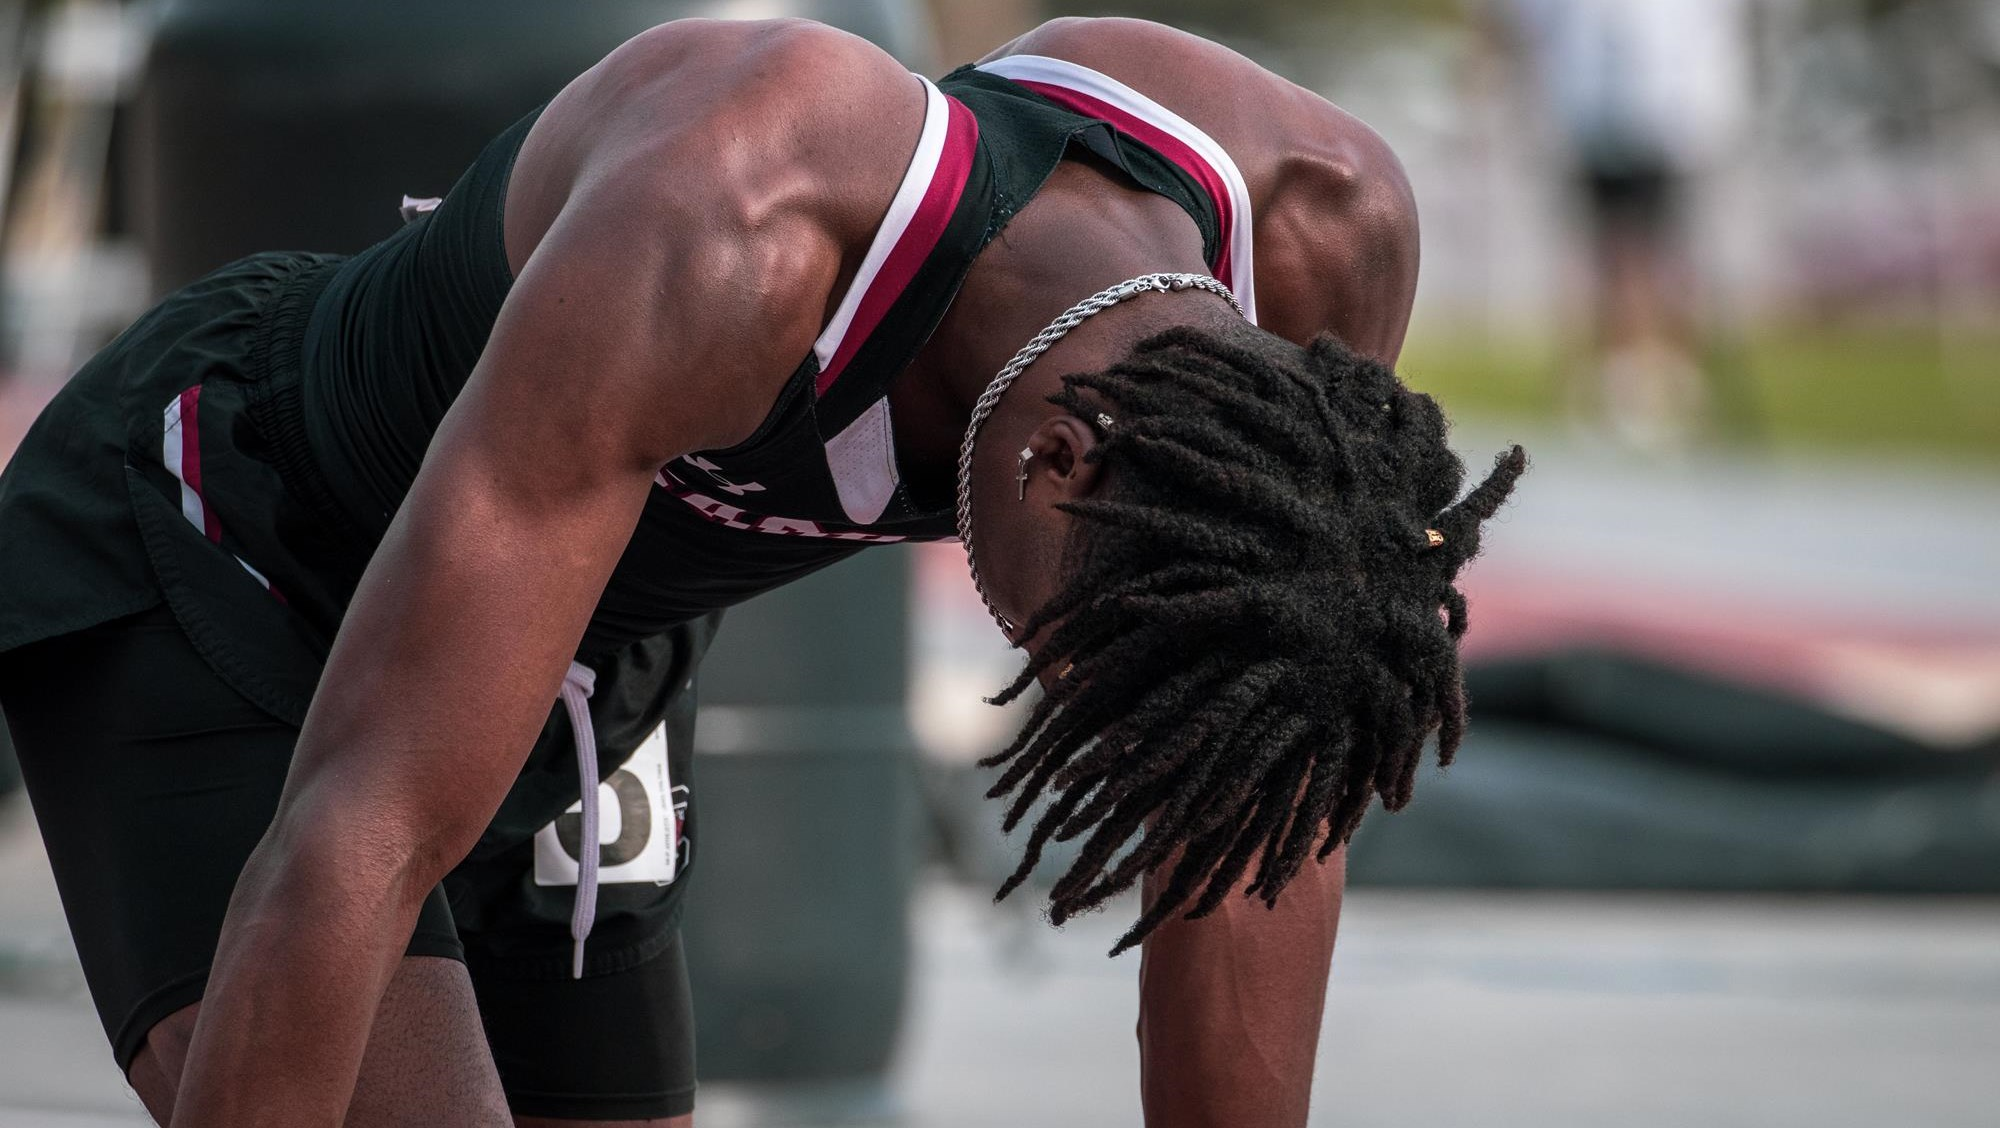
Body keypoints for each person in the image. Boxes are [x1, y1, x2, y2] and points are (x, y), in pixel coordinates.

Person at [0, 15, 1523, 1127]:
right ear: (1060, 457)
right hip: (243, 552)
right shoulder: (749, 221)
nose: (1087, 711)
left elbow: (1248, 795)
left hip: (582, 666)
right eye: (1079, 667)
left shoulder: (1314, 241)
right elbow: (358, 826)